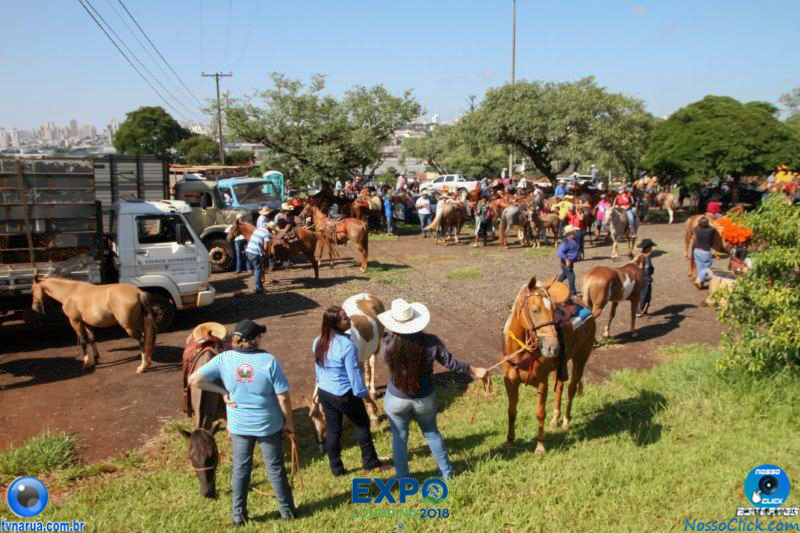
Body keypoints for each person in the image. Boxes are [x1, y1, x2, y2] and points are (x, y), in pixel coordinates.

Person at [189, 319, 297, 526]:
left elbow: (195, 379)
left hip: (239, 426)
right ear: (255, 340)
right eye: (260, 335)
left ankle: (238, 515)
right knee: (275, 468)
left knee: (240, 469)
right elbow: (283, 397)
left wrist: (223, 392)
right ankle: (287, 512)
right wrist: (289, 422)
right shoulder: (269, 361)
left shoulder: (224, 359)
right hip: (269, 424)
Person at [377, 299, 487, 479]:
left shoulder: (387, 346)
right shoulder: (431, 342)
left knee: (399, 438)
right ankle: (447, 473)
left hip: (395, 400)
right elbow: (451, 363)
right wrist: (475, 370)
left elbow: (386, 360)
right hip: (424, 399)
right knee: (432, 434)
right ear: (415, 320)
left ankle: (403, 478)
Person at [312, 306, 386, 476]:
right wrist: (369, 400)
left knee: (333, 429)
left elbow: (318, 368)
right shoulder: (347, 346)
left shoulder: (317, 341)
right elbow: (356, 380)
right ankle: (370, 463)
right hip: (344, 394)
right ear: (336, 324)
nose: (349, 320)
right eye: (345, 318)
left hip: (325, 391)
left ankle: (336, 469)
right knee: (362, 425)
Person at [690, 216, 719, 289]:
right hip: (705, 250)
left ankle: (701, 284)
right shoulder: (711, 230)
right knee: (707, 266)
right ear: (707, 223)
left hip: (697, 250)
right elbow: (714, 237)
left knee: (699, 266)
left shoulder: (695, 229)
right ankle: (699, 280)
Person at [244, 223, 271, 294]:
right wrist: (267, 254)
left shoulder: (257, 229)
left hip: (248, 251)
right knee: (258, 270)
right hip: (255, 252)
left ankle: (260, 287)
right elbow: (266, 246)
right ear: (270, 228)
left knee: (258, 269)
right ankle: (258, 288)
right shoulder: (267, 233)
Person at [557, 225, 580, 295]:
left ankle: (556, 284)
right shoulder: (565, 243)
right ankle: (573, 293)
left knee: (565, 275)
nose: (575, 233)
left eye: (574, 232)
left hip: (570, 262)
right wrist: (566, 259)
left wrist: (580, 253)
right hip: (565, 262)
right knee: (571, 276)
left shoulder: (573, 240)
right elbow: (560, 252)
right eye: (573, 232)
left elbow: (575, 248)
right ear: (568, 234)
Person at [636, 239, 656, 316]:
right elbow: (648, 269)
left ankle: (643, 310)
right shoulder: (646, 257)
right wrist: (647, 278)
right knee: (644, 295)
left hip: (639, 278)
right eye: (651, 247)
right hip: (645, 279)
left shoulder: (639, 255)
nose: (651, 248)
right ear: (647, 248)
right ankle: (639, 311)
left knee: (644, 295)